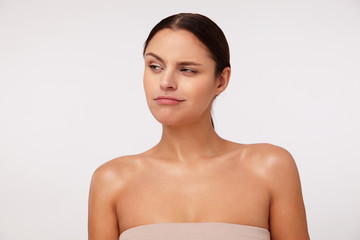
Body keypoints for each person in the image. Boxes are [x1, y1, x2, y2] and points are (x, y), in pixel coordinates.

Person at [88, 13, 310, 240]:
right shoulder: (112, 180)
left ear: (221, 81)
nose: (166, 82)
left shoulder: (270, 168)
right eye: (155, 66)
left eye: (187, 70)